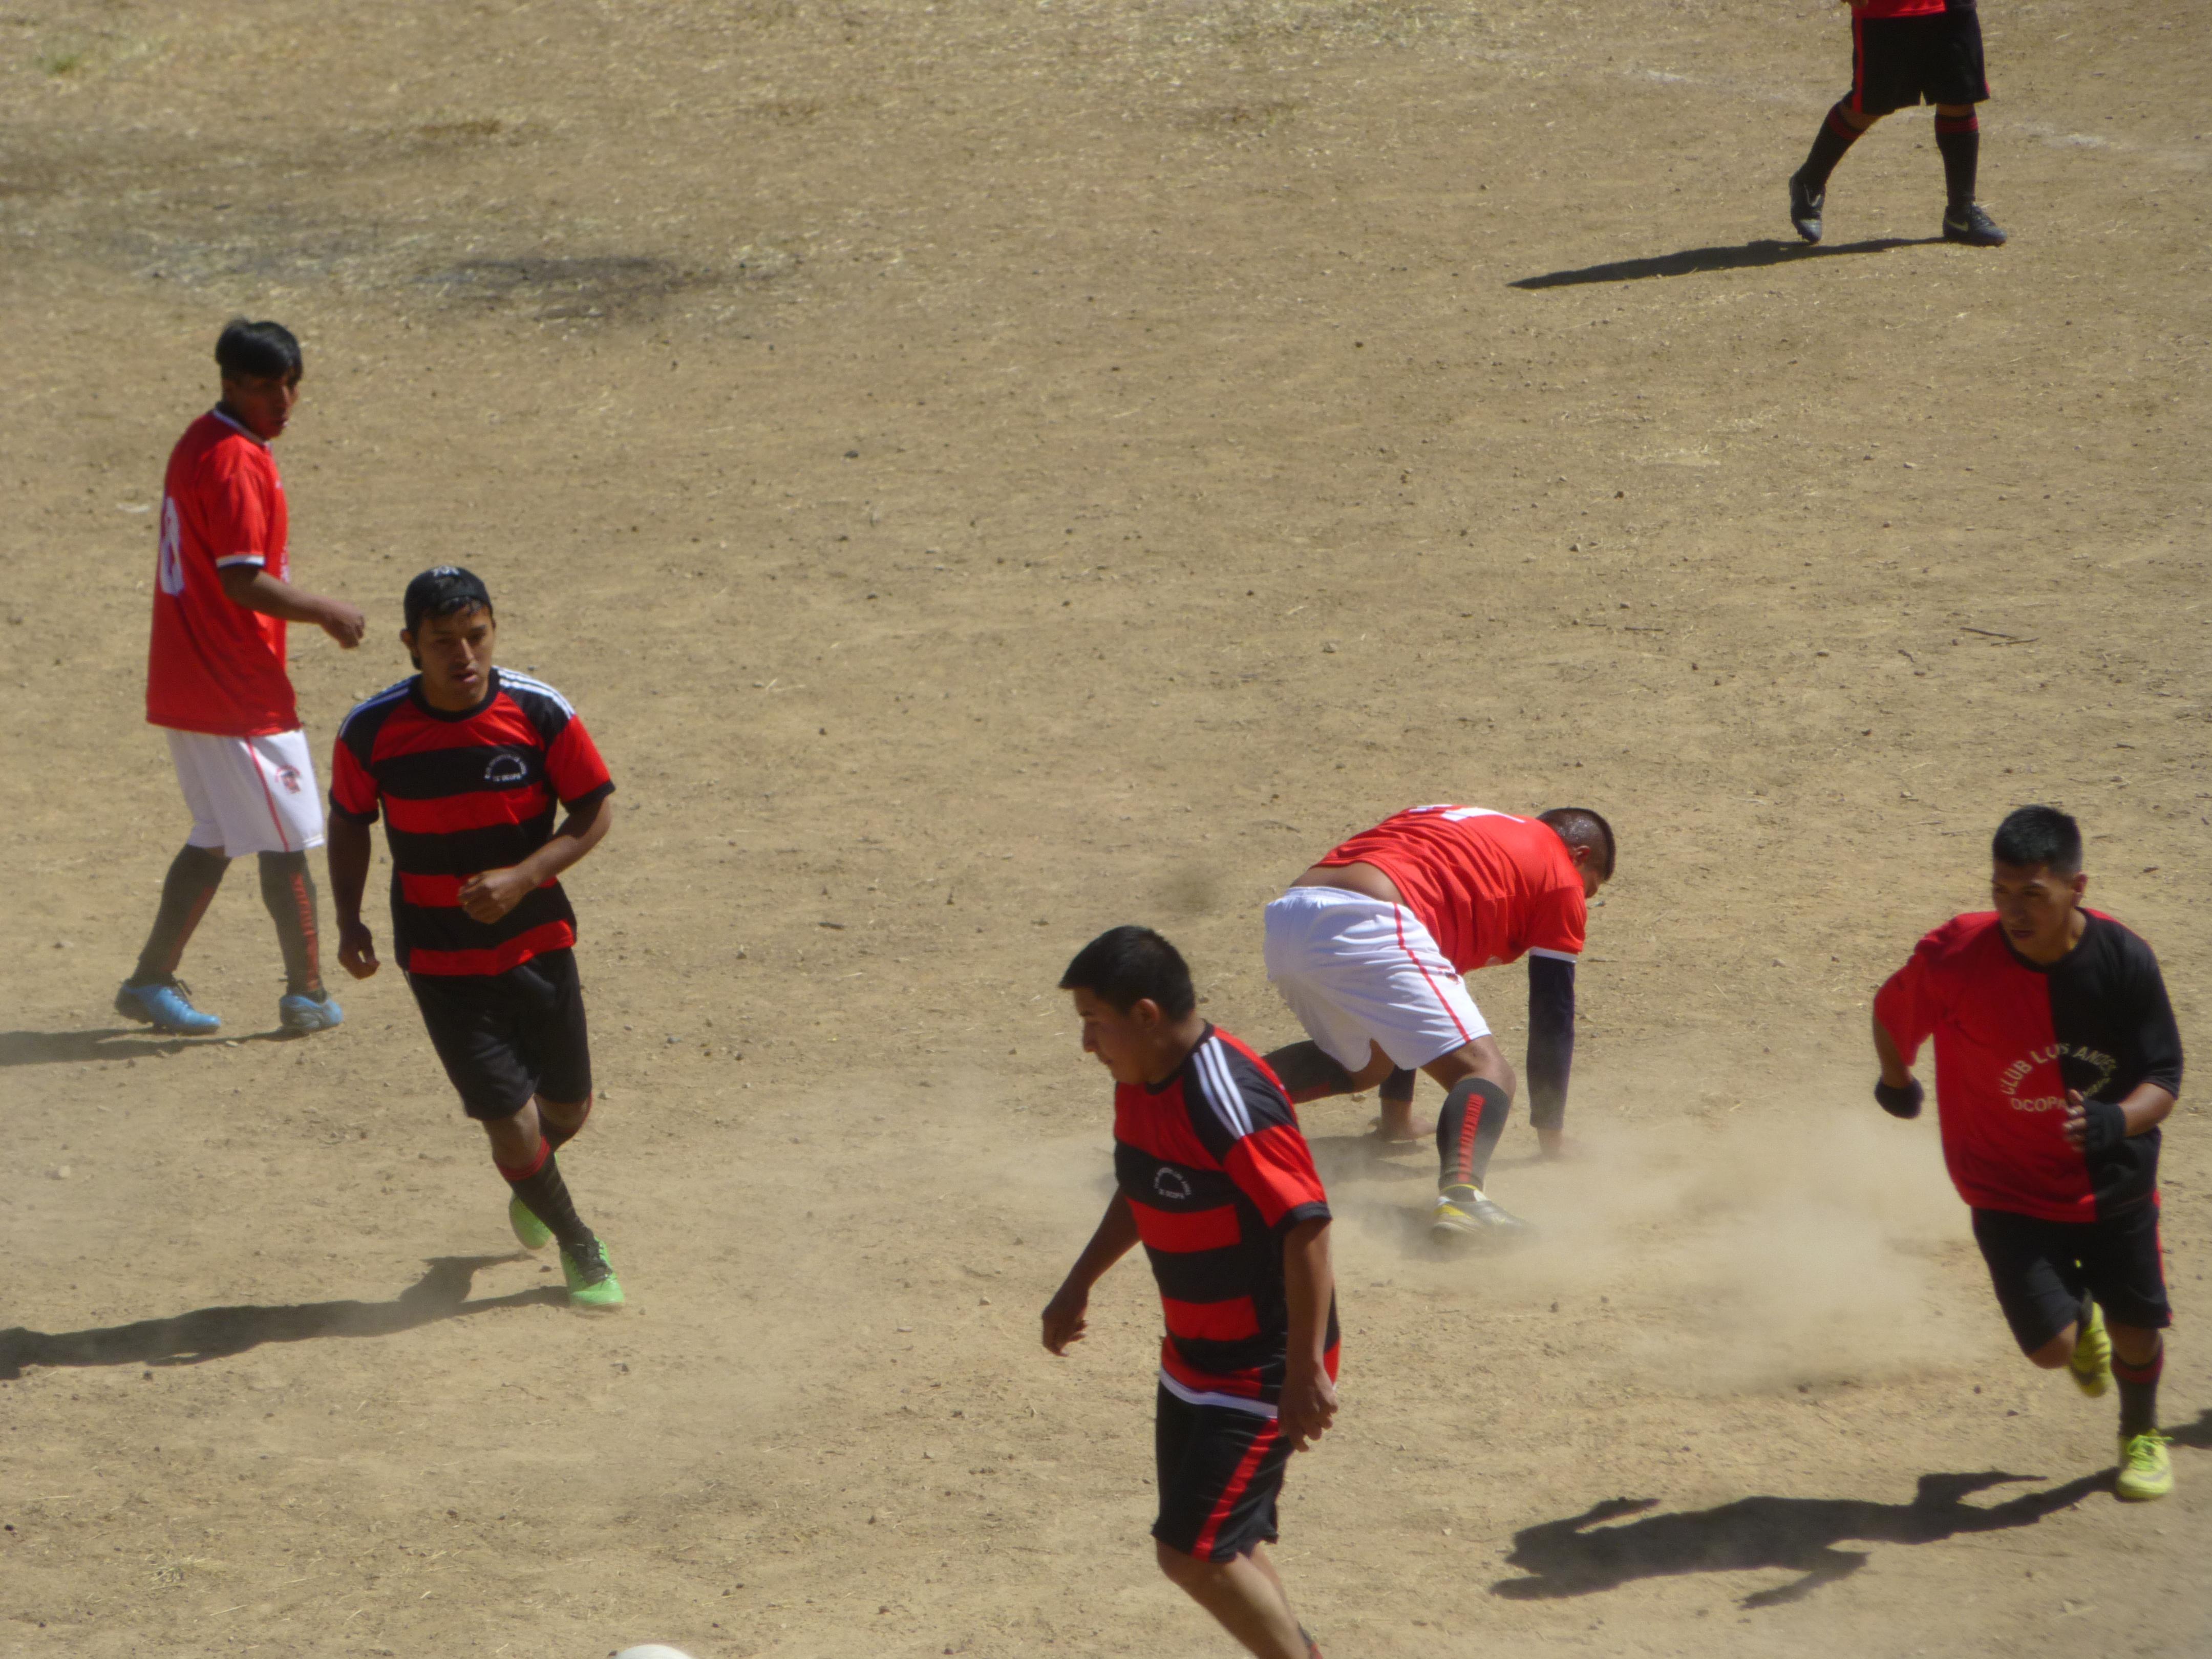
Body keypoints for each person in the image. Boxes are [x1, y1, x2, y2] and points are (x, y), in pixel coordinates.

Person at [325, 566, 623, 1309]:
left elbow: (593, 811)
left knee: (569, 1110)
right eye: (443, 642)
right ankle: (579, 1242)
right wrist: (349, 918)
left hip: (539, 943)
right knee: (512, 1126)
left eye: (477, 636)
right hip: (440, 958)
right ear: (410, 646)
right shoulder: (371, 731)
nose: (464, 655)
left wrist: (523, 877)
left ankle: (534, 1187)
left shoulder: (539, 711)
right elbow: (348, 821)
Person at [1043, 927, 1338, 1659]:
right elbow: (1143, 1183)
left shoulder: (1226, 1097)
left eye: (1093, 1022)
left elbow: (1306, 1226)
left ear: (1144, 1014)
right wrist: (1079, 1282)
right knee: (1222, 1545)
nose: (1087, 1045)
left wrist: (1303, 1371)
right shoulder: (1140, 1082)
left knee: (1190, 1552)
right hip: (1194, 1354)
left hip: (1262, 1362)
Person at [1873, 805, 2180, 1501]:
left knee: (2137, 1335)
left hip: (2113, 1179)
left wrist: (2116, 1120)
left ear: (2077, 887)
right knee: (2052, 1352)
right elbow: (1889, 1013)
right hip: (2004, 1183)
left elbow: (2165, 1080)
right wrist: (1897, 1083)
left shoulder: (2124, 960)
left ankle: (2141, 1434)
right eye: (2001, 892)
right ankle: (2079, 1320)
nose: (2014, 911)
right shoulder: (1956, 957)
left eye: (2033, 895)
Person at [116, 318, 366, 1036]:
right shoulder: (231, 459)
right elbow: (241, 581)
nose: (282, 400)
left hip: (192, 681)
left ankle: (149, 981)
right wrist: (327, 611)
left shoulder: (205, 439)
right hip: (233, 689)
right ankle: (308, 995)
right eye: (264, 387)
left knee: (221, 833)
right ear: (231, 384)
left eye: (290, 385)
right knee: (286, 839)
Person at [1259, 804, 1613, 1244]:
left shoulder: (1472, 837)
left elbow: (1402, 1018)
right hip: (1372, 918)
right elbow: (1552, 1013)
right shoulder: (1560, 876)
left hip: (1291, 917)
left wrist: (1397, 1122)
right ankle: (1463, 1200)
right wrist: (1551, 1137)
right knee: (1486, 1071)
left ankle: (1200, 1104)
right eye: (1590, 888)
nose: (1583, 901)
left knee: (1364, 1065)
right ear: (1579, 855)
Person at [1787, 0, 2005, 247]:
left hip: (1951, 7)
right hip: (1887, 8)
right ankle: (1809, 182)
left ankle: (1961, 211)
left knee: (1959, 95)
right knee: (1870, 104)